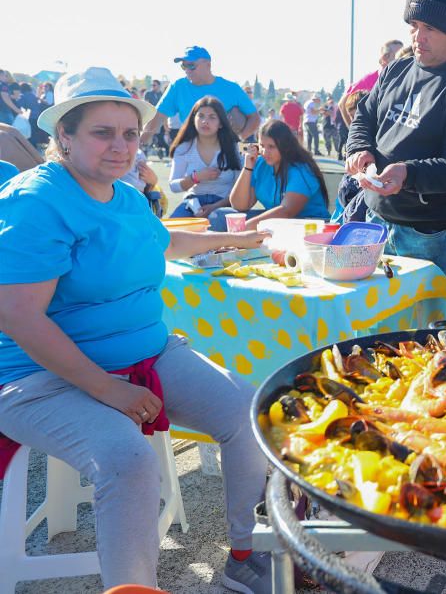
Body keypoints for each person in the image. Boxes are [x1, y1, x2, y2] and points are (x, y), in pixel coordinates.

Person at [0, 67, 271, 593]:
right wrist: (110, 390)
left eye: (129, 134)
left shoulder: (122, 194)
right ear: (64, 137)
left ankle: (245, 553)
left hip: (146, 353)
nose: (120, 147)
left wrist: (240, 241)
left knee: (247, 409)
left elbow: (163, 242)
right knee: (128, 460)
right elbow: (18, 316)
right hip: (37, 379)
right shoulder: (35, 202)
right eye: (102, 133)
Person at [345, 0, 446, 284]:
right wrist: (359, 148)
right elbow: (364, 117)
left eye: (430, 28)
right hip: (374, 221)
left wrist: (407, 174)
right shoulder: (396, 69)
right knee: (373, 324)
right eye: (414, 26)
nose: (418, 36)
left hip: (429, 234)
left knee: (426, 328)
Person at [219, 119, 330, 230]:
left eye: (271, 147)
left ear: (285, 146)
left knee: (239, 227)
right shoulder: (260, 164)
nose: (265, 152)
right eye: (262, 145)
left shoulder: (300, 170)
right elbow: (239, 205)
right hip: (278, 223)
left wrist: (244, 228)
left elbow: (286, 212)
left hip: (309, 225)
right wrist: (247, 167)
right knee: (219, 217)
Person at [139, 46, 260, 144]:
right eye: (184, 66)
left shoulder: (231, 88)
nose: (187, 70)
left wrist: (237, 140)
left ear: (208, 65)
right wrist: (140, 144)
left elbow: (254, 118)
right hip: (190, 149)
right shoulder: (178, 86)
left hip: (224, 150)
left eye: (191, 65)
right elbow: (157, 118)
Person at [167, 96, 242, 226]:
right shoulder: (184, 148)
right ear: (193, 120)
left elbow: (239, 189)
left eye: (212, 117)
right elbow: (174, 186)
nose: (205, 121)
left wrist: (214, 206)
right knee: (171, 231)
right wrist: (196, 177)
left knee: (217, 224)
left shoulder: (233, 147)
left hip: (224, 204)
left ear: (221, 123)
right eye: (200, 116)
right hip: (192, 204)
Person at [338, 39, 404, 122]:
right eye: (399, 55)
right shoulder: (369, 80)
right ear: (385, 57)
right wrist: (352, 131)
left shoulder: (400, 80)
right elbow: (342, 104)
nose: (403, 58)